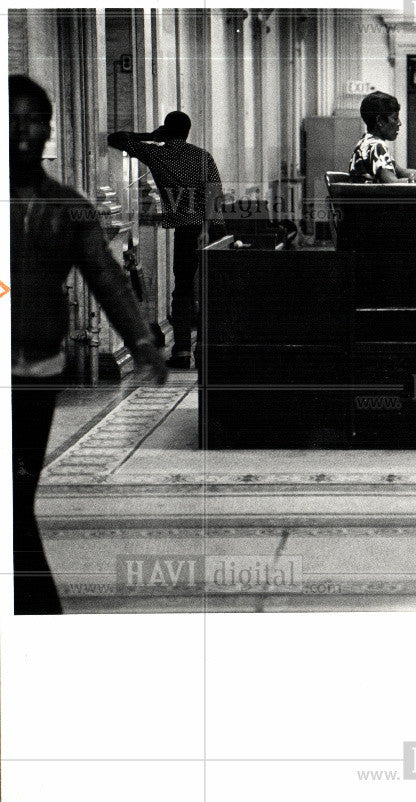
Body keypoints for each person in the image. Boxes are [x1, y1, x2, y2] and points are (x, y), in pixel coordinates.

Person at [11, 75, 168, 614]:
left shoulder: (69, 207)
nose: (23, 131)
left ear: (49, 131)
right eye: (13, 118)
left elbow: (106, 276)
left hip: (35, 373)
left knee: (16, 494)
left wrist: (143, 343)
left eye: (35, 121)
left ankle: (36, 612)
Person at [108, 111, 223, 370]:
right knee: (207, 291)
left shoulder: (156, 154)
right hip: (209, 231)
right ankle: (204, 351)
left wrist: (151, 136)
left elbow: (116, 139)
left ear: (166, 130)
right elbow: (215, 198)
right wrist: (211, 230)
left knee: (182, 290)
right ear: (188, 131)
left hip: (184, 231)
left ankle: (181, 351)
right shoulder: (202, 157)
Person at [349, 91, 416, 184]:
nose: (399, 123)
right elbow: (393, 183)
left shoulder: (366, 142)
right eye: (395, 118)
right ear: (380, 121)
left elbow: (402, 172)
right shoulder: (376, 146)